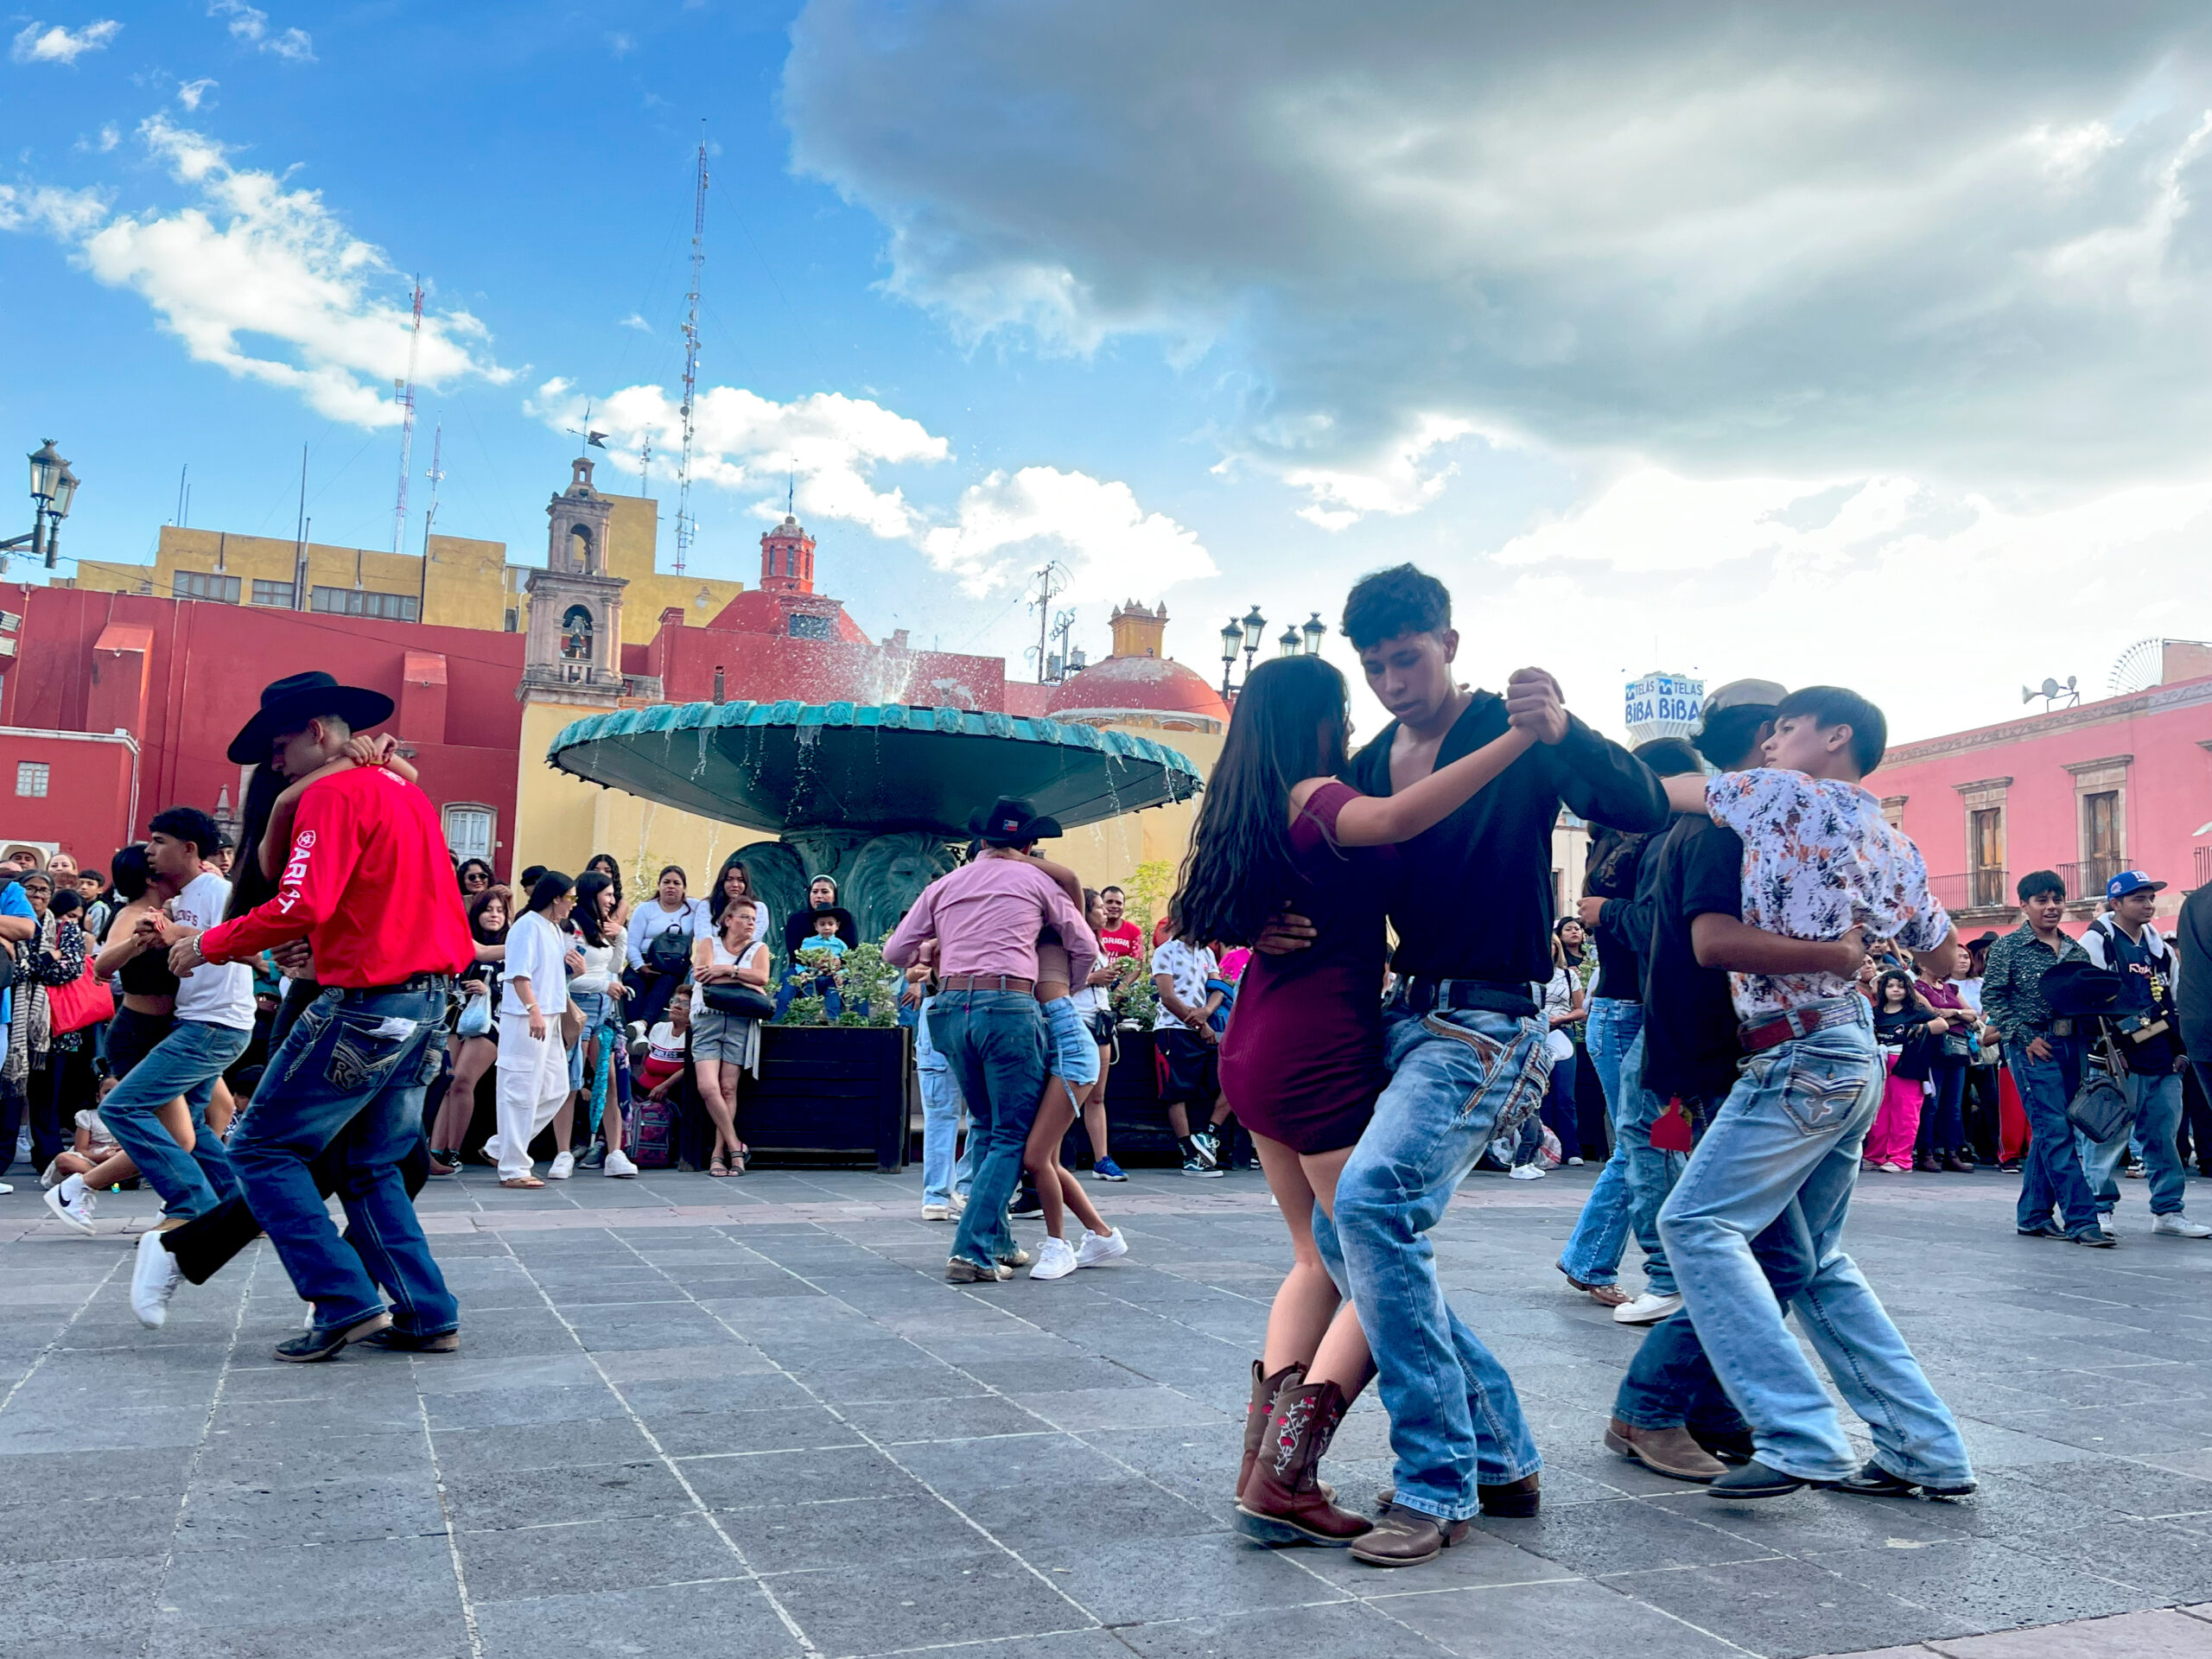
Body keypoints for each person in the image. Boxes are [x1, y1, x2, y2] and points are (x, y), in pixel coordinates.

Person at [1262, 564, 1669, 1567]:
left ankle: (1435, 1484)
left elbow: (1643, 806)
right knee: (1360, 1236)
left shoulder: (1513, 725)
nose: (1394, 679)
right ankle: (1501, 1452)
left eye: (1408, 657)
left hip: (1493, 1020)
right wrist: (1261, 925)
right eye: (1376, 665)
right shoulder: (1364, 756)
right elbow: (1321, 867)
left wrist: (1565, 727)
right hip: (1403, 1015)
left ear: (1448, 640)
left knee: (1371, 1206)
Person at [1173, 651, 1536, 1548]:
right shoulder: (1316, 793)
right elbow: (1401, 814)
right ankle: (1285, 1480)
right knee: (1373, 1264)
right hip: (1319, 1051)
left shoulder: (1245, 803)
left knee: (1317, 1258)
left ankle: (1266, 1469)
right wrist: (1517, 740)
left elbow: (1194, 913)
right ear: (1321, 720)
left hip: (1258, 1040)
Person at [1652, 685, 1974, 1502]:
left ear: (1836, 737)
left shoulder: (1782, 793)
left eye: (1787, 727)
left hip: (1794, 1053)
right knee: (1822, 1262)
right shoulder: (1893, 840)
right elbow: (1949, 965)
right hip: (1851, 1054)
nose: (1770, 741)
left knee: (1693, 1222)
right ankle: (1924, 1449)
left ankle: (1798, 1434)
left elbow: (1653, 792)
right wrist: (1858, 933)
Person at [167, 670, 473, 1360]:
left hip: (365, 1001)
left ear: (314, 731)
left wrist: (207, 944)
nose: (273, 764)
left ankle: (342, 1301)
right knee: (372, 1164)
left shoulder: (333, 795)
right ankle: (426, 1312)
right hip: (426, 1005)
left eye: (278, 748)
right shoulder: (403, 791)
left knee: (261, 1147)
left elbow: (301, 903)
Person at [885, 798, 1096, 1284]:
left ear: (981, 842)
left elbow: (896, 952)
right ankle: (972, 1250)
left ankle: (999, 1240)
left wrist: (936, 950)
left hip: (951, 1011)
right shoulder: (1038, 880)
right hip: (1009, 1007)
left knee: (984, 1123)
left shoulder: (944, 885)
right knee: (1009, 1135)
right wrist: (1068, 987)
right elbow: (1083, 944)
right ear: (1028, 844)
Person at [1560, 736, 1707, 1313]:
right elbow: (1651, 927)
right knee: (1644, 1144)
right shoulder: (1647, 843)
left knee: (1654, 1141)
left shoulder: (1623, 843)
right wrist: (1611, 913)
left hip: (1634, 1012)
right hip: (1629, 1014)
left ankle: (1592, 1258)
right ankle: (1599, 1260)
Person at [96, 807, 254, 1325]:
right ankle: (234, 1208)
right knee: (197, 1126)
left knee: (123, 1107)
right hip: (196, 1023)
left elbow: (250, 947)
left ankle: (191, 1202)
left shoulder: (213, 890)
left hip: (214, 1025)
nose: (150, 850)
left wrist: (189, 943)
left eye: (159, 841)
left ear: (189, 848)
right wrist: (160, 936)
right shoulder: (183, 900)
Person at [2076, 870, 2207, 1238]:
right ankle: (2098, 1210)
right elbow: (2088, 1002)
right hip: (2118, 1059)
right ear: (2115, 904)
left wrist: (2181, 1053)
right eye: (2139, 898)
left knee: (2164, 1137)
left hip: (2162, 1058)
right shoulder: (2096, 942)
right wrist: (2109, 1049)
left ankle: (2168, 1211)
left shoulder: (2161, 950)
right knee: (2106, 1136)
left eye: (2150, 897)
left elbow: (2177, 1000)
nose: (2148, 904)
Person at [1982, 871, 2107, 1245]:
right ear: (2025, 905)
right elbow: (1993, 998)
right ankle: (2083, 1221)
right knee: (2055, 1130)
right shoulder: (2009, 947)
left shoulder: (2076, 949)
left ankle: (2034, 1215)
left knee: (2052, 1130)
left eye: (2057, 899)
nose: (2051, 907)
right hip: (2032, 1048)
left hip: (2073, 1047)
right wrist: (2024, 1036)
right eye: (2042, 900)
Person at [487, 870, 578, 1189]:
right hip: (526, 1018)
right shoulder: (526, 926)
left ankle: (501, 1147)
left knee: (555, 1089)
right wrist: (533, 1011)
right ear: (555, 897)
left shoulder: (553, 929)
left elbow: (549, 976)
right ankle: (512, 1167)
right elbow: (519, 975)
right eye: (570, 898)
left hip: (549, 1017)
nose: (573, 904)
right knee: (519, 1091)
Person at [429, 887, 508, 1171]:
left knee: (463, 1080)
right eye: (488, 909)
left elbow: (521, 985)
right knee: (449, 1082)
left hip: (491, 1020)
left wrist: (488, 989)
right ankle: (435, 1151)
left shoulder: (513, 944)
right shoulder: (463, 941)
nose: (494, 915)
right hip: (456, 1016)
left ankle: (453, 1150)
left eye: (500, 910)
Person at [689, 894, 767, 1176]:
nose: (750, 924)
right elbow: (701, 975)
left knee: (728, 1088)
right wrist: (742, 977)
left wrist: (726, 970)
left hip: (738, 1021)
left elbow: (763, 978)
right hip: (707, 1019)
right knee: (707, 1087)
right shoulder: (709, 943)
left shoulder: (758, 948)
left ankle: (719, 1154)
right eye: (744, 917)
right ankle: (736, 1145)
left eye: (754, 919)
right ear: (728, 920)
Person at [1150, 925, 1224, 1175]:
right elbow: (1167, 997)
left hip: (1206, 1028)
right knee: (1176, 1091)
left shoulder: (1207, 953)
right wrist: (1200, 1023)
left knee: (1230, 1083)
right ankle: (1189, 1155)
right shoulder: (1165, 952)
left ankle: (1208, 1137)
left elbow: (1218, 990)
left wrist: (1206, 1013)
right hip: (1173, 1028)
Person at [1865, 969, 1945, 1173]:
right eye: (1890, 986)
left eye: (1900, 986)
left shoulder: (1916, 1010)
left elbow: (1942, 1024)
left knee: (1906, 1112)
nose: (1895, 990)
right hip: (1880, 1066)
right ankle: (1875, 1156)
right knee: (1878, 1112)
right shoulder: (1876, 1013)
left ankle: (1901, 1158)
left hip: (1908, 1064)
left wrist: (1920, 1029)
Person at [626, 865, 709, 1029]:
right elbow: (631, 944)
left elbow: (711, 917)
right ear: (659, 885)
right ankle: (632, 1034)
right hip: (644, 963)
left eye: (677, 883)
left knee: (667, 982)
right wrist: (640, 966)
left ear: (684, 888)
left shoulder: (695, 908)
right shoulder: (645, 909)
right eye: (666, 882)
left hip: (674, 967)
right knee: (634, 987)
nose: (671, 886)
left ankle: (642, 1026)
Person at [780, 873, 858, 961]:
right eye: (814, 892)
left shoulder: (845, 919)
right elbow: (794, 952)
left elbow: (852, 950)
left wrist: (839, 963)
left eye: (825, 892)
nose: (819, 896)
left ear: (834, 897)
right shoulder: (796, 920)